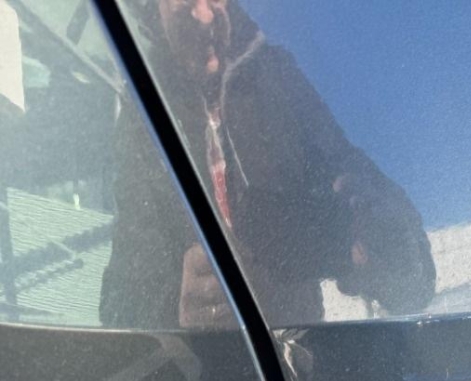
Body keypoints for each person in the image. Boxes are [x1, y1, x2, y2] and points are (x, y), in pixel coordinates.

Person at [101, 0, 435, 328]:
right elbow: (122, 297)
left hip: (303, 345)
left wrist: (381, 243)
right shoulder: (142, 114)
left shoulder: (276, 76)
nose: (203, 15)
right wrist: (175, 307)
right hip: (206, 357)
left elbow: (408, 268)